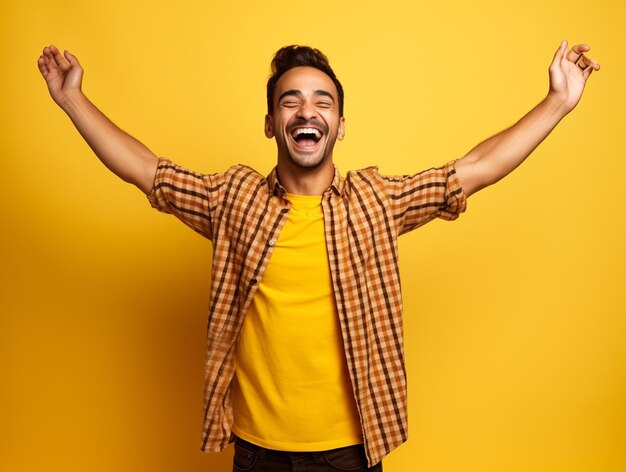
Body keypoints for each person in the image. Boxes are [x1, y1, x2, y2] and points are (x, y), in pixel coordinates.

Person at [37, 41, 600, 472]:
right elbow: (147, 171)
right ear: (271, 124)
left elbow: (473, 170)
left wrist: (557, 102)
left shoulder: (374, 202)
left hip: (351, 452)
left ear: (339, 126)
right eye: (291, 100)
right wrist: (72, 100)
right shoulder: (235, 199)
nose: (307, 110)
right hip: (257, 453)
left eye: (322, 101)